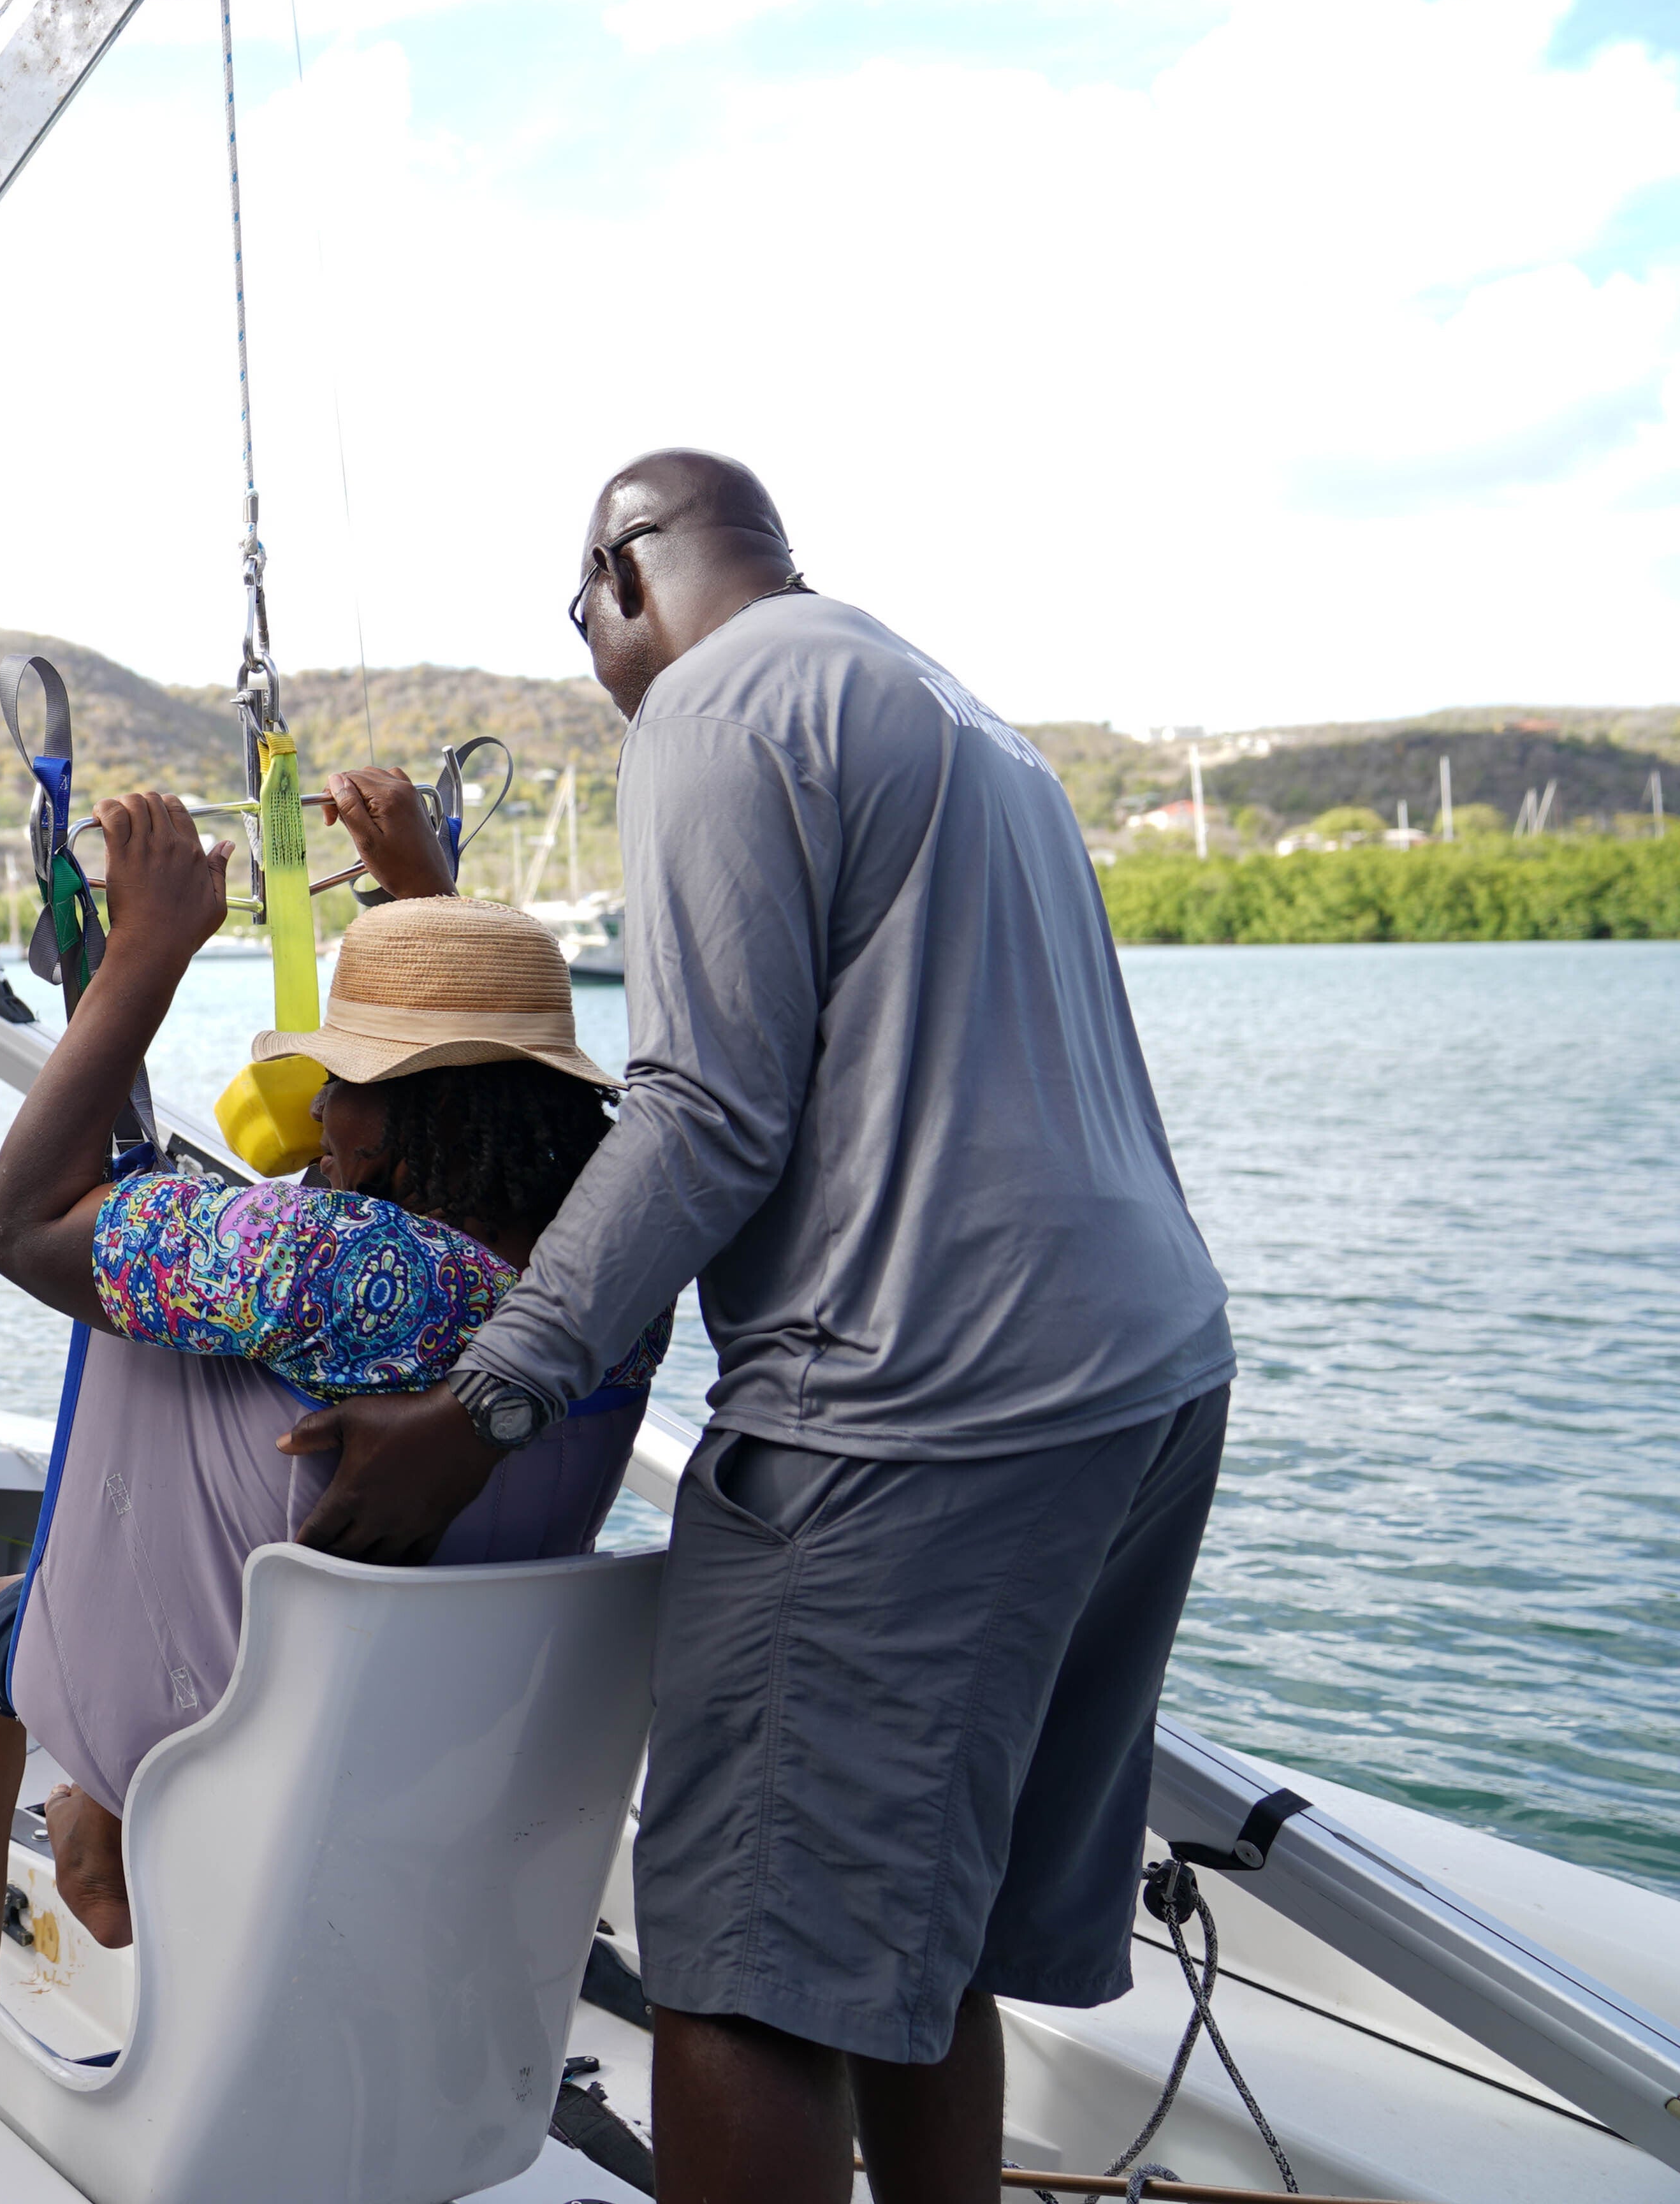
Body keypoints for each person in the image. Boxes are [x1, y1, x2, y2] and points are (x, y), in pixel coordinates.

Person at [295, 451, 1234, 2204]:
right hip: (1149, 1386)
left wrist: (488, 1404)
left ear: (624, 579)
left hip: (919, 1411)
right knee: (912, 1940)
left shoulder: (715, 712)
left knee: (746, 1977)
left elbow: (704, 1111)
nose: (595, 660)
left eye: (581, 624)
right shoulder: (960, 718)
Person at [0, 792, 665, 2024]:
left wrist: (147, 950)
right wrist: (427, 908)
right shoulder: (615, 1281)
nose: (318, 1114)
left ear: (404, 1114)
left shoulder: (311, 1260)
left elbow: (16, 1225)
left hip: (234, 1730)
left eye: (342, 1084)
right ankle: (96, 1833)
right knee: (196, 1402)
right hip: (447, 1744)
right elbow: (461, 1078)